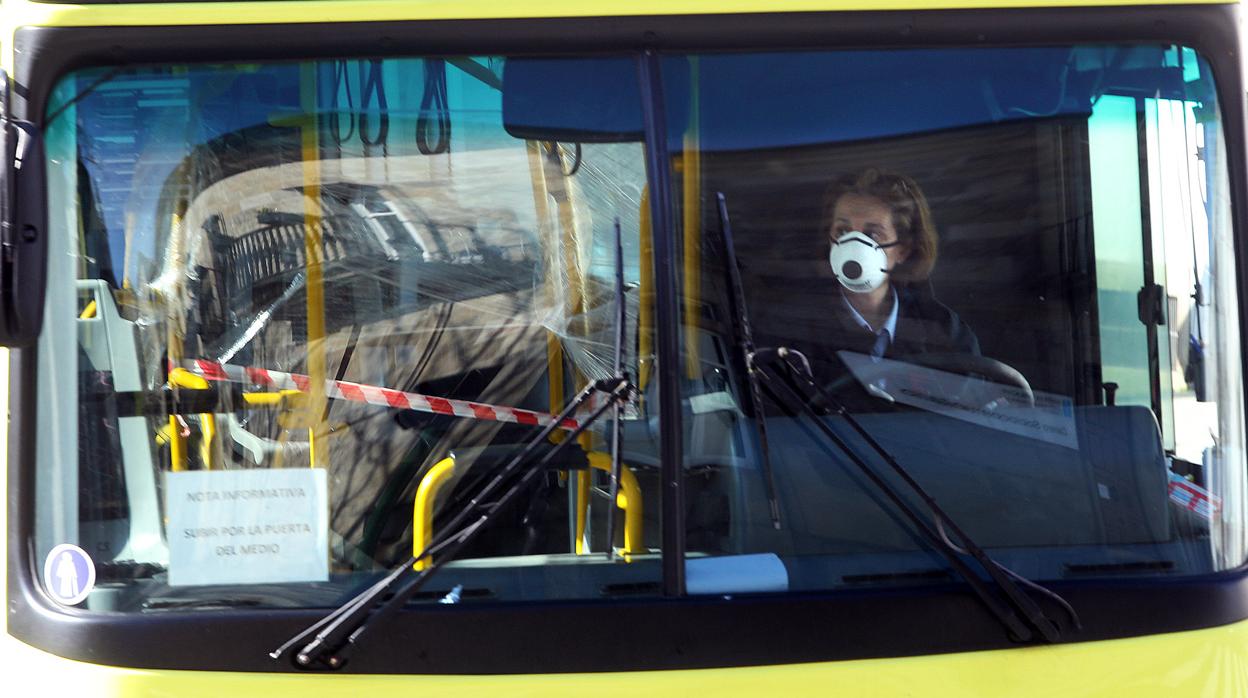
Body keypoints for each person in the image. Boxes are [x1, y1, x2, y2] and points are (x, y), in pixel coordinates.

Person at [753, 167, 978, 391]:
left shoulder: (944, 332)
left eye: (872, 234)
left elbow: (974, 406)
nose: (854, 245)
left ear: (903, 250)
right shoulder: (787, 329)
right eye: (843, 231)